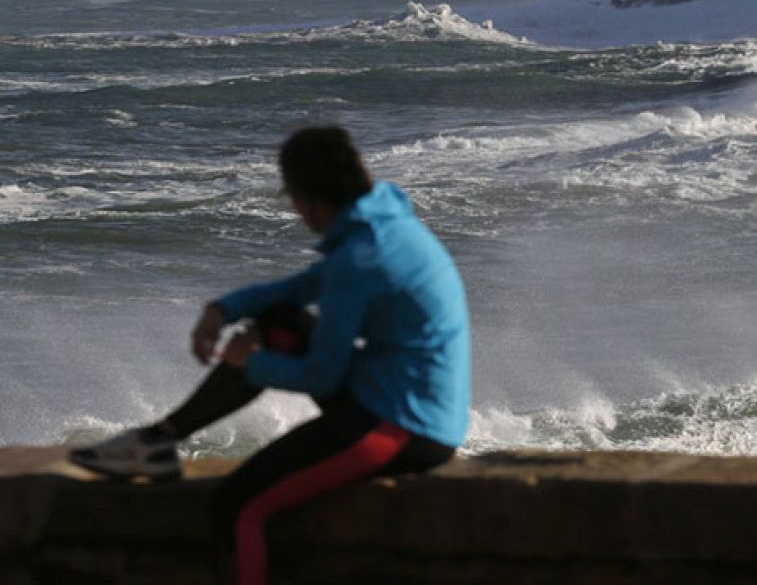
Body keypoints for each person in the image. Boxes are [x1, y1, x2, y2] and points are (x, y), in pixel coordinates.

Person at [70, 126, 471, 585]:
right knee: (280, 322)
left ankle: (157, 443)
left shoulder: (360, 257)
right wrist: (223, 309)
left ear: (306, 200)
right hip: (395, 401)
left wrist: (251, 362)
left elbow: (323, 377)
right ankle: (159, 441)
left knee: (238, 507)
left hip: (402, 426)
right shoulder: (386, 227)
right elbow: (301, 288)